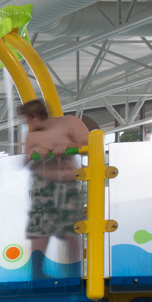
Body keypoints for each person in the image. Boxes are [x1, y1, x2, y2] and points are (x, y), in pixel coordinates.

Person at [21, 99, 92, 279]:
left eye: (27, 119)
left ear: (36, 116)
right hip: (42, 184)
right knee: (39, 229)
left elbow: (89, 145)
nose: (27, 124)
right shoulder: (32, 136)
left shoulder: (69, 123)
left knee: (70, 229)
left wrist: (68, 146)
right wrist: (36, 150)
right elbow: (23, 162)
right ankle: (37, 272)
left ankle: (74, 273)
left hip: (68, 183)